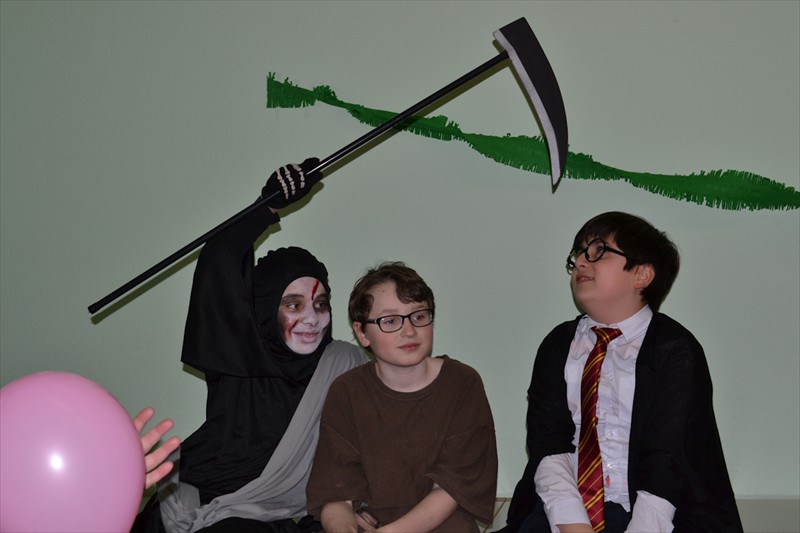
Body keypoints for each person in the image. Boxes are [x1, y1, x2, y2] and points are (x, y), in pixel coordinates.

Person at [133, 160, 368, 533]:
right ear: (264, 309)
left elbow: (369, 446)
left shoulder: (343, 364)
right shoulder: (238, 355)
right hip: (202, 498)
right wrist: (266, 206)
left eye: (321, 303)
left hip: (279, 518)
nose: (312, 318)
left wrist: (360, 504)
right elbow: (220, 259)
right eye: (293, 305)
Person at [500, 212, 742, 533]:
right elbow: (549, 444)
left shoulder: (675, 349)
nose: (581, 262)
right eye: (578, 254)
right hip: (566, 510)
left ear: (642, 274)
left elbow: (669, 461)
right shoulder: (558, 344)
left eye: (598, 251)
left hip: (657, 514)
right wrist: (574, 525)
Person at [306, 262, 498, 533]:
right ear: (361, 333)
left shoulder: (462, 383)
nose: (409, 331)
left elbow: (451, 489)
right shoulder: (346, 391)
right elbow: (336, 495)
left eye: (418, 316)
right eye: (390, 321)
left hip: (442, 523)